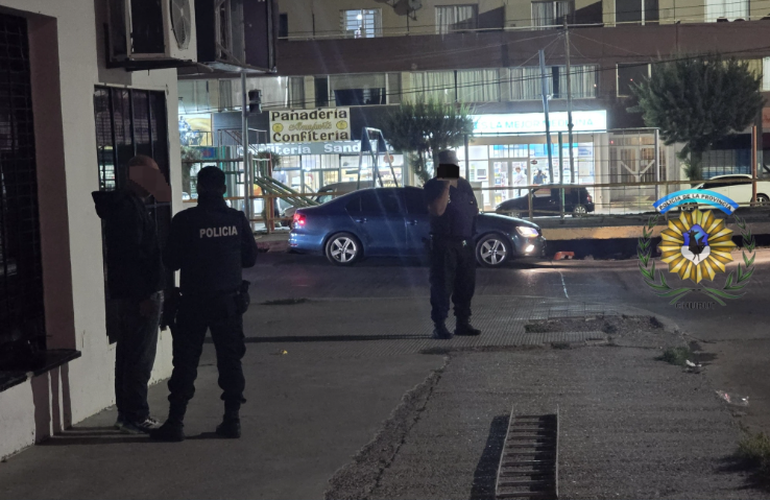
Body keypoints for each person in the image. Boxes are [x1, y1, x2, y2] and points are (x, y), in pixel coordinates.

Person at [151, 166, 258, 442]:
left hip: (193, 302)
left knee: (185, 361)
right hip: (228, 302)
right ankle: (232, 420)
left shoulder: (185, 220)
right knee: (230, 360)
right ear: (224, 189)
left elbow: (171, 261)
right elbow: (250, 259)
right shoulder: (236, 220)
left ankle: (175, 422)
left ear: (198, 188)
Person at [92, 155, 170, 434]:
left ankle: (127, 414)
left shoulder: (127, 206)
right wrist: (145, 295)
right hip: (140, 296)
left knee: (128, 355)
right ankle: (136, 415)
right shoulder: (129, 210)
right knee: (139, 357)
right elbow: (134, 257)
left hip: (131, 294)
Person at [423, 150, 481, 340]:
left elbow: (474, 208)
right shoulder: (433, 185)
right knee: (442, 285)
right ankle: (439, 325)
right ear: (440, 165)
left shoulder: (464, 184)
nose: (453, 166)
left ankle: (462, 323)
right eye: (449, 163)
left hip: (465, 242)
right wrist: (446, 185)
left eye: (455, 163)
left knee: (466, 285)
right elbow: (437, 211)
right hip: (444, 243)